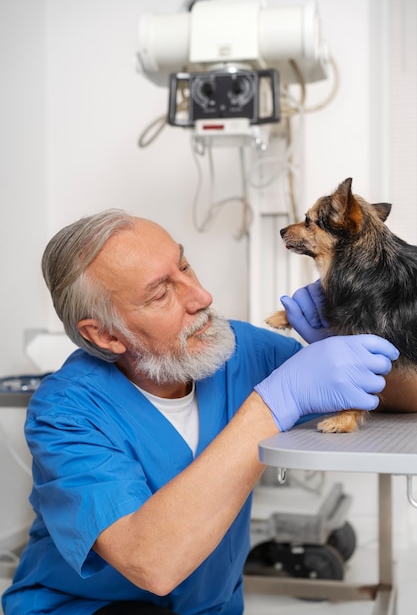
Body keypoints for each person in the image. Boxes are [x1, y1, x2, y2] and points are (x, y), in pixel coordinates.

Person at [2, 209, 398, 615]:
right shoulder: (66, 411)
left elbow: (393, 398)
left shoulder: (238, 350)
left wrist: (355, 340)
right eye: (161, 294)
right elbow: (152, 562)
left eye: (185, 266)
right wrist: (270, 405)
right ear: (105, 334)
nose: (201, 297)